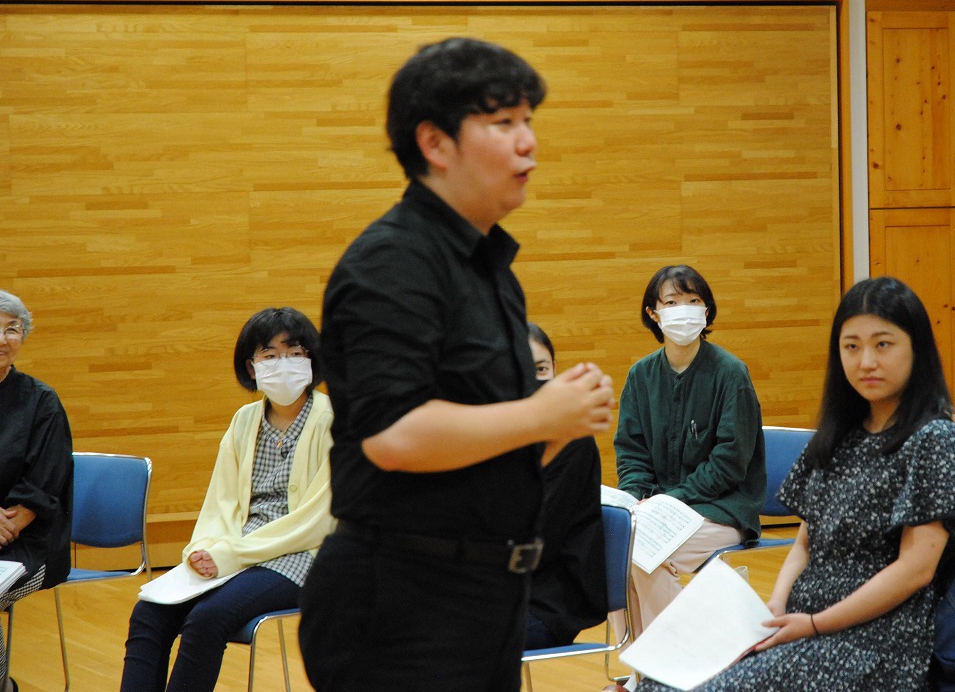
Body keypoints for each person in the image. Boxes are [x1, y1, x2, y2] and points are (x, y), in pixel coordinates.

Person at [298, 37, 614, 692]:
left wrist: (562, 424)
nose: (528, 142)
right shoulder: (393, 261)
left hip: (486, 597)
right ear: (436, 144)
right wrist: (540, 413)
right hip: (401, 603)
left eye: (529, 120)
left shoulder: (490, 268)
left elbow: (486, 455)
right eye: (503, 123)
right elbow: (394, 436)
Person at [638, 276, 955, 691]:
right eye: (851, 346)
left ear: (917, 350)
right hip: (802, 628)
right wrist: (776, 607)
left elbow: (915, 570)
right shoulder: (841, 435)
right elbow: (805, 541)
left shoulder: (935, 438)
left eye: (883, 344)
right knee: (659, 683)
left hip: (872, 644)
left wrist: (816, 624)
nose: (866, 361)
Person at [120, 307, 334, 692]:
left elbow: (318, 521)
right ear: (251, 367)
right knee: (149, 613)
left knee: (208, 618)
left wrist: (230, 555)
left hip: (303, 556)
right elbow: (220, 502)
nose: (283, 363)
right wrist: (203, 547)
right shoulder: (244, 420)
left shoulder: (332, 420)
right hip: (238, 549)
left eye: (294, 353)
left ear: (312, 360)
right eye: (270, 355)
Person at [613, 265, 766, 640]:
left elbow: (729, 464)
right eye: (671, 302)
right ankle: (640, 665)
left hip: (722, 509)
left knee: (650, 557)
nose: (683, 310)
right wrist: (636, 498)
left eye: (693, 300)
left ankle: (675, 661)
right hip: (658, 510)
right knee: (614, 548)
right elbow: (632, 454)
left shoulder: (731, 374)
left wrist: (671, 499)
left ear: (706, 311)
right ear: (653, 313)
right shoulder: (640, 376)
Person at [0, 291, 73, 692]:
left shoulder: (41, 402)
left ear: (23, 337)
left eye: (12, 329)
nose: (2, 339)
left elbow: (43, 486)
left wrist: (7, 525)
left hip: (28, 544)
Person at [525, 322, 608, 650]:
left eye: (541, 369)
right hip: (500, 588)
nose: (534, 379)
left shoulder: (573, 438)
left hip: (550, 598)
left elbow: (539, 534)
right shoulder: (502, 430)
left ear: (555, 369)